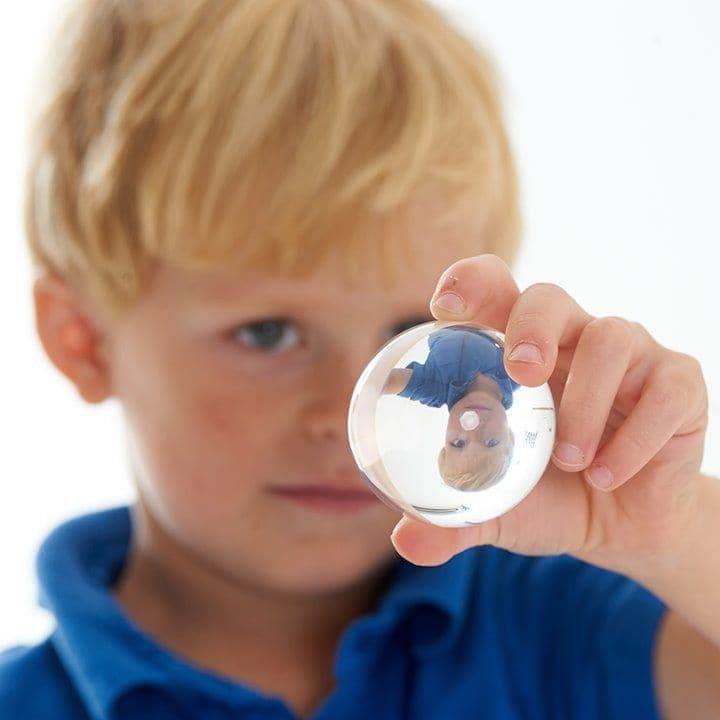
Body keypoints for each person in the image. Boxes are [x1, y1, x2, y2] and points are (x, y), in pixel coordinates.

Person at [2, 1, 719, 719]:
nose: (351, 414)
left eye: (411, 330)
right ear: (84, 342)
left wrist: (675, 533)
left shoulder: (568, 626)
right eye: (269, 334)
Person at [382, 324, 519, 491]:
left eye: (459, 443)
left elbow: (388, 381)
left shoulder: (435, 388)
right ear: (510, 437)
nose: (473, 427)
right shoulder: (518, 375)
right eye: (491, 442)